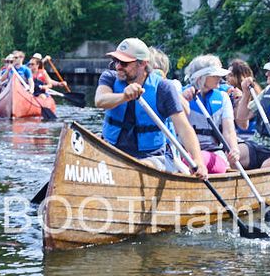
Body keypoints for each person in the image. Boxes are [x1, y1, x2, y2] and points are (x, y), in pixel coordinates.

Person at [95, 38, 207, 177]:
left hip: (152, 157)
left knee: (137, 168)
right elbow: (100, 100)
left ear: (142, 63)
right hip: (113, 150)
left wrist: (198, 161)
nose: (118, 66)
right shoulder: (110, 78)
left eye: (124, 63)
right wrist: (124, 96)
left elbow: (184, 128)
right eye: (115, 61)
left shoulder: (163, 88)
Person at [182, 54, 240, 174]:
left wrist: (234, 149)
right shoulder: (181, 95)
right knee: (189, 160)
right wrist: (181, 100)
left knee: (196, 159)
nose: (220, 77)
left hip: (214, 152)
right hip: (186, 153)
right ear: (201, 77)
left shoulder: (223, 97)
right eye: (215, 75)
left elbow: (228, 131)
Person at [227, 58, 261, 136]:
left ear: (242, 76)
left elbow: (243, 126)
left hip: (248, 135)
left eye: (231, 75)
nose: (227, 78)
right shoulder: (228, 92)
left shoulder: (253, 93)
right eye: (227, 75)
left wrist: (238, 100)